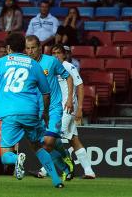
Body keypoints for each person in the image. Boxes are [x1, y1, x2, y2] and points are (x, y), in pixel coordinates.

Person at [0, 33, 64, 188]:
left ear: (8, 48)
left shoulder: (1, 63)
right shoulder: (34, 64)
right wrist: (44, 113)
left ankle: (17, 159)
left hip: (9, 113)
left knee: (5, 155)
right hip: (31, 112)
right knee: (38, 147)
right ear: (24, 48)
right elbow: (46, 94)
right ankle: (57, 181)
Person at [25, 35, 75, 181]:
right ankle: (66, 165)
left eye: (33, 48)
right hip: (36, 110)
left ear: (40, 47)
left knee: (47, 143)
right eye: (27, 48)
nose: (30, 51)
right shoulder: (26, 65)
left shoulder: (51, 61)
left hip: (53, 108)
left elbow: (68, 77)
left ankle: (64, 160)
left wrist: (70, 99)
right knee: (45, 143)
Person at [51, 44, 96, 179]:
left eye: (58, 53)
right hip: (59, 107)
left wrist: (79, 108)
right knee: (73, 139)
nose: (56, 56)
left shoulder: (68, 67)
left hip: (69, 107)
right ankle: (89, 171)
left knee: (54, 136)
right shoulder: (53, 68)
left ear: (64, 55)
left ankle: (44, 170)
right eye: (53, 53)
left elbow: (80, 86)